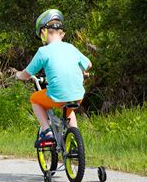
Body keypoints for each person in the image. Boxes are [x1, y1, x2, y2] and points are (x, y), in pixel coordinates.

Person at [14, 9, 92, 148]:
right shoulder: (71, 47)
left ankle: (47, 131)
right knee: (70, 110)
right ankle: (74, 140)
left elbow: (27, 74)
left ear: (43, 32)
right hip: (78, 95)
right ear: (61, 34)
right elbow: (89, 64)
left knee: (35, 99)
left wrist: (18, 75)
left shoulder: (43, 52)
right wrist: (80, 72)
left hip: (56, 95)